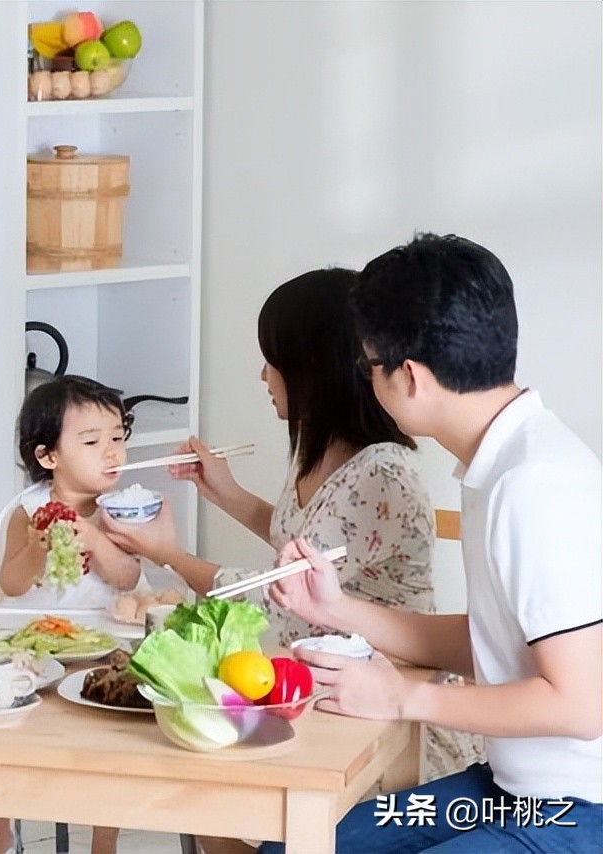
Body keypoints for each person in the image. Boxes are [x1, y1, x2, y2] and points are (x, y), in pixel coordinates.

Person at [266, 234, 602, 852]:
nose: (366, 381)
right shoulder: (502, 460)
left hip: (569, 814)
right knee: (297, 842)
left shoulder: (533, 485)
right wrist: (334, 608)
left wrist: (402, 697)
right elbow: (490, 641)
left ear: (410, 377)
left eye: (370, 366)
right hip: (505, 791)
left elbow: (582, 704)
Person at [103, 268, 481, 802]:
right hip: (318, 683)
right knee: (194, 772)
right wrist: (226, 493)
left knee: (206, 785)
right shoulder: (319, 452)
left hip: (385, 709)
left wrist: (167, 554)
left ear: (311, 369)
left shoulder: (381, 473)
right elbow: (299, 543)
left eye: (273, 361)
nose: (263, 375)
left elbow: (276, 594)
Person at [0, 375, 150, 854]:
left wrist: (95, 536)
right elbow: (11, 584)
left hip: (105, 639)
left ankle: (104, 837)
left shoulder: (125, 509)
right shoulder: (29, 510)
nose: (112, 452)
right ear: (48, 457)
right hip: (31, 638)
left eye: (118, 438)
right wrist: (35, 549)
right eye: (92, 442)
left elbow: (127, 578)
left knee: (112, 730)